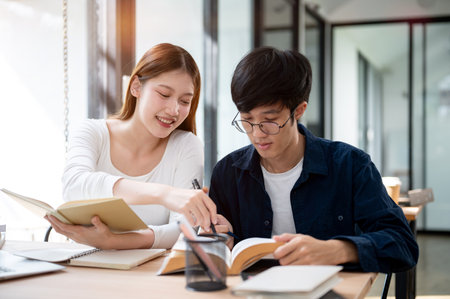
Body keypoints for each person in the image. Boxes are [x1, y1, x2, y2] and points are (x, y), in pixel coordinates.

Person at [209, 47, 418, 273]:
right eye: (247, 120)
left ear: (298, 111)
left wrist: (337, 250)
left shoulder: (349, 165)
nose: (258, 134)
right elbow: (217, 244)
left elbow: (402, 244)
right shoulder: (228, 172)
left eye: (269, 120)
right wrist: (219, 240)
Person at [46, 43, 218, 250]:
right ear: (136, 86)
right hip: (87, 267)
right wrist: (164, 194)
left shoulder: (186, 146)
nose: (174, 110)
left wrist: (114, 242)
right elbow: (73, 185)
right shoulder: (93, 132)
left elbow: (183, 230)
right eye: (164, 94)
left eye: (184, 101)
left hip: (150, 274)